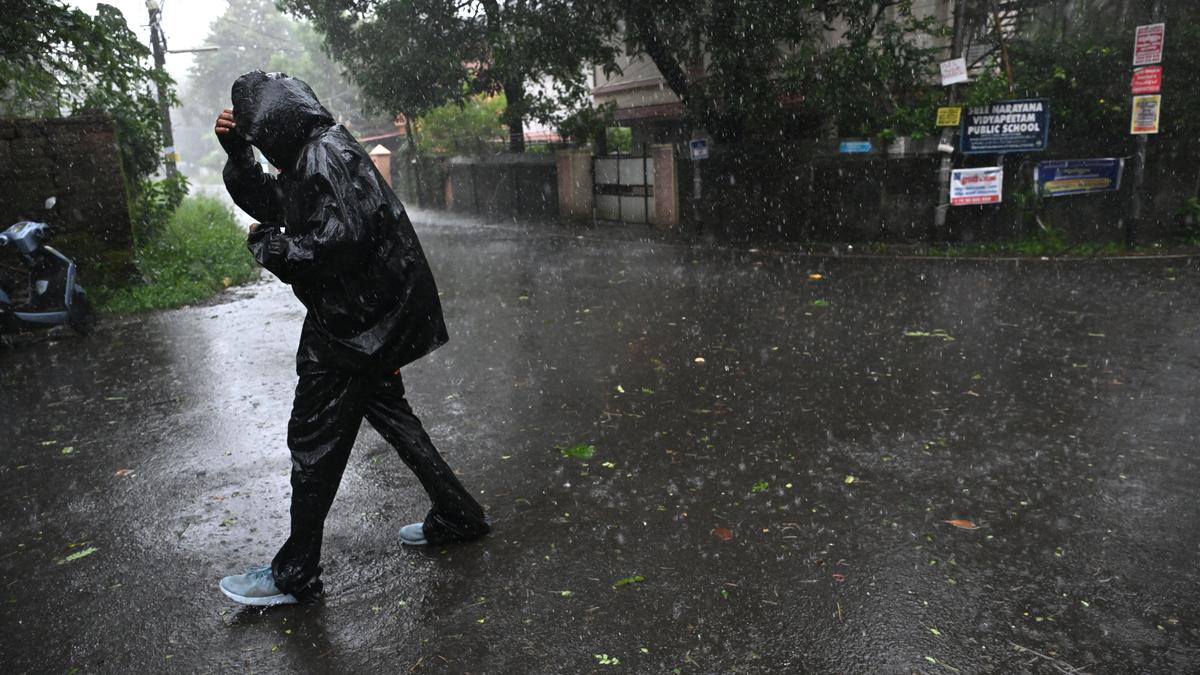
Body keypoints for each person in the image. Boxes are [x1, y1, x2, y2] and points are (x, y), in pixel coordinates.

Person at [214, 71, 489, 606]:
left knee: (315, 440)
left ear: (273, 123)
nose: (258, 142)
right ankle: (458, 514)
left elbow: (334, 242)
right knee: (391, 415)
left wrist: (269, 248)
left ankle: (295, 572)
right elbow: (279, 204)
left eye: (255, 133)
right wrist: (239, 158)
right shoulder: (314, 153)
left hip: (352, 328)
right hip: (368, 321)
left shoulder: (323, 155)